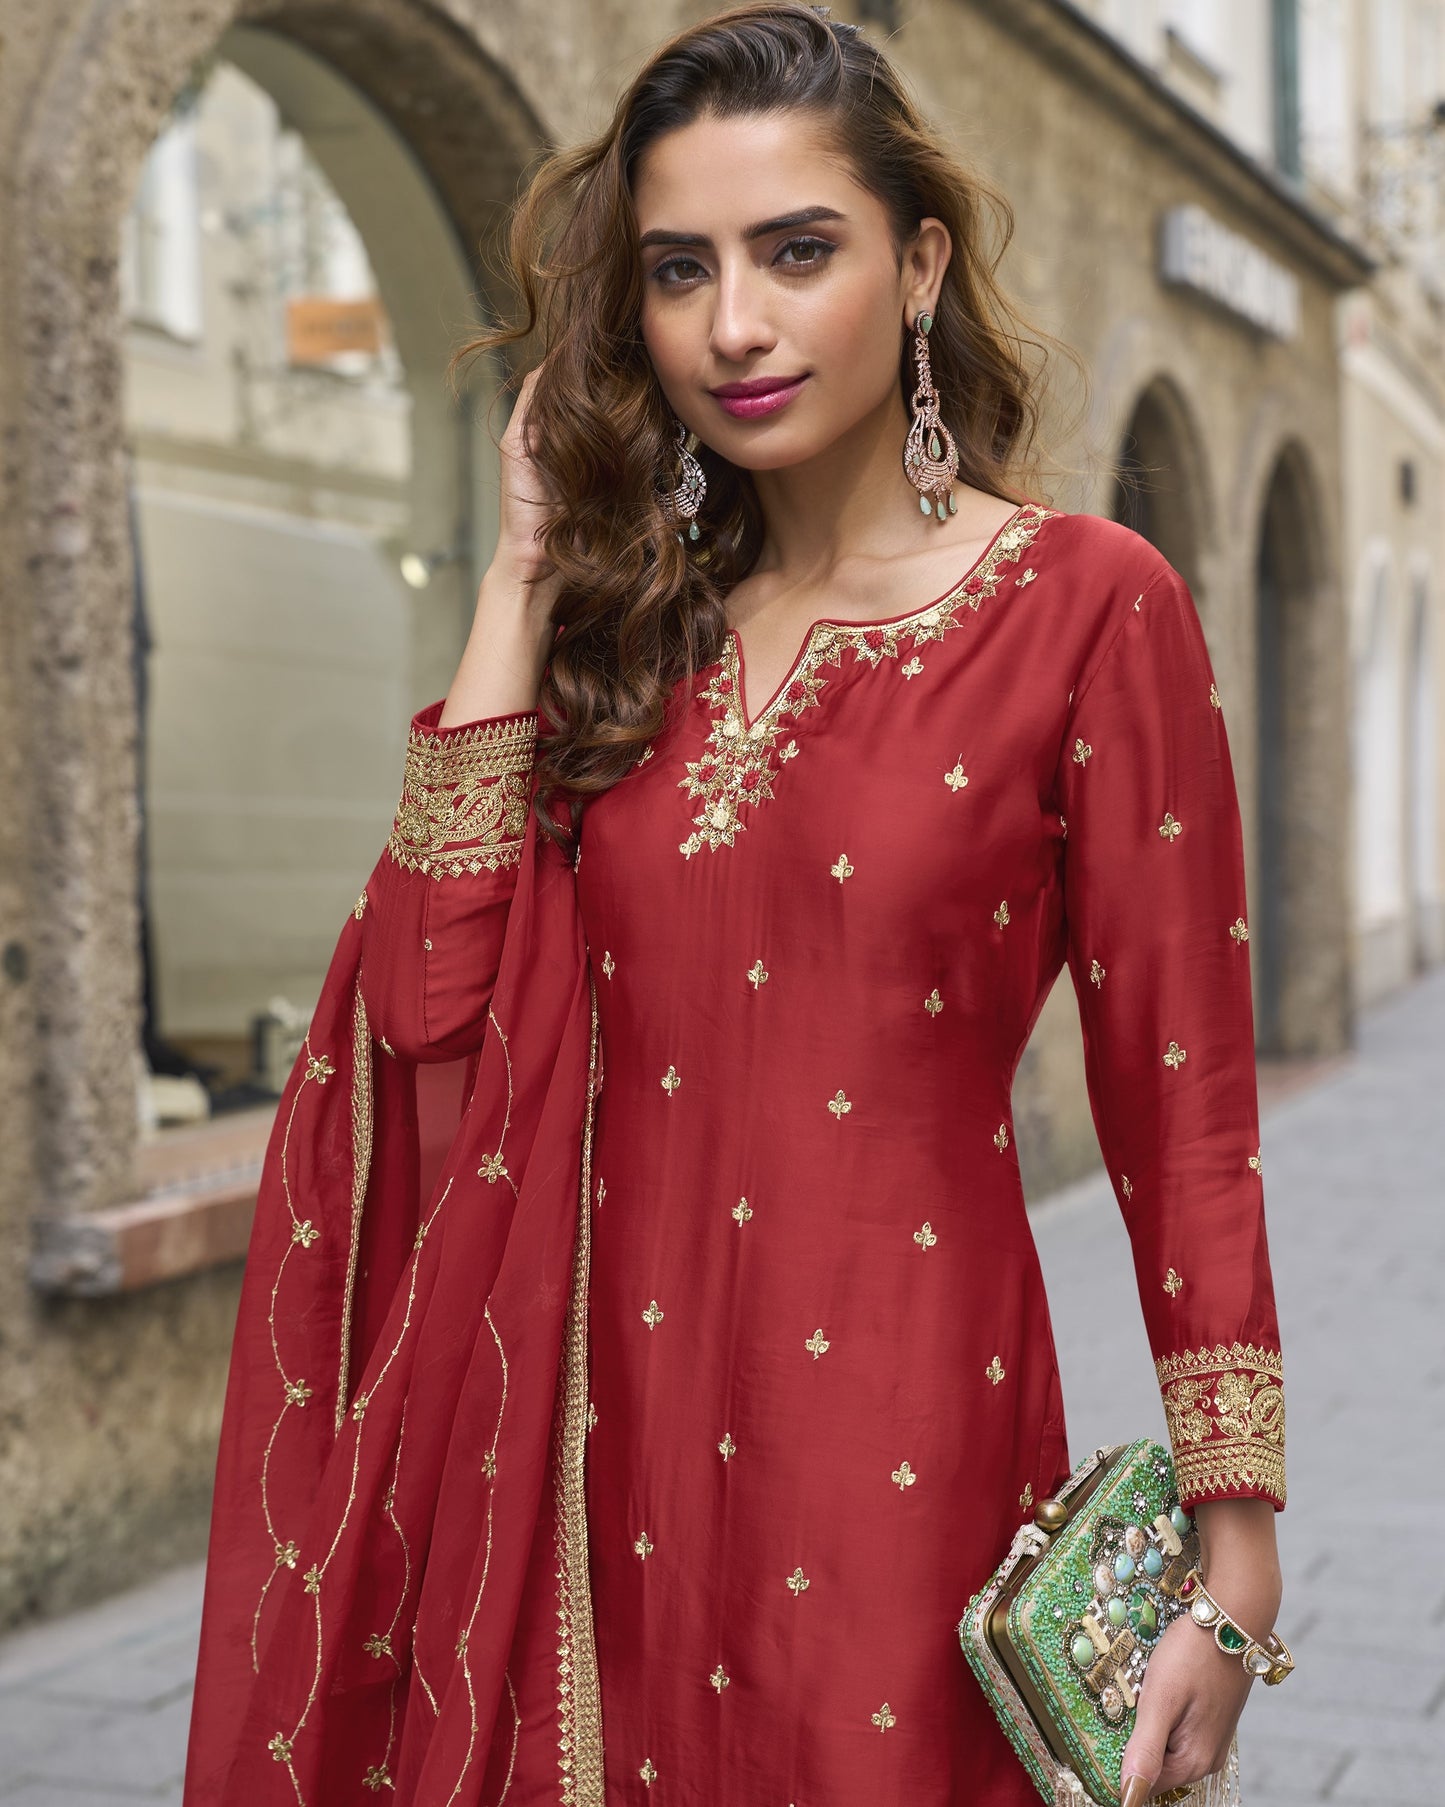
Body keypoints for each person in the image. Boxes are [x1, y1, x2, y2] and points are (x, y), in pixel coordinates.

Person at [183, 6, 1287, 1804]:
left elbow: (1188, 1115)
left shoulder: (1085, 604)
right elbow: (426, 1012)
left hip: (901, 1434)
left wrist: (1231, 1559)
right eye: (678, 269)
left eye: (796, 251)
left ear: (916, 266)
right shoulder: (634, 639)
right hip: (583, 1447)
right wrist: (521, 577)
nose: (734, 326)